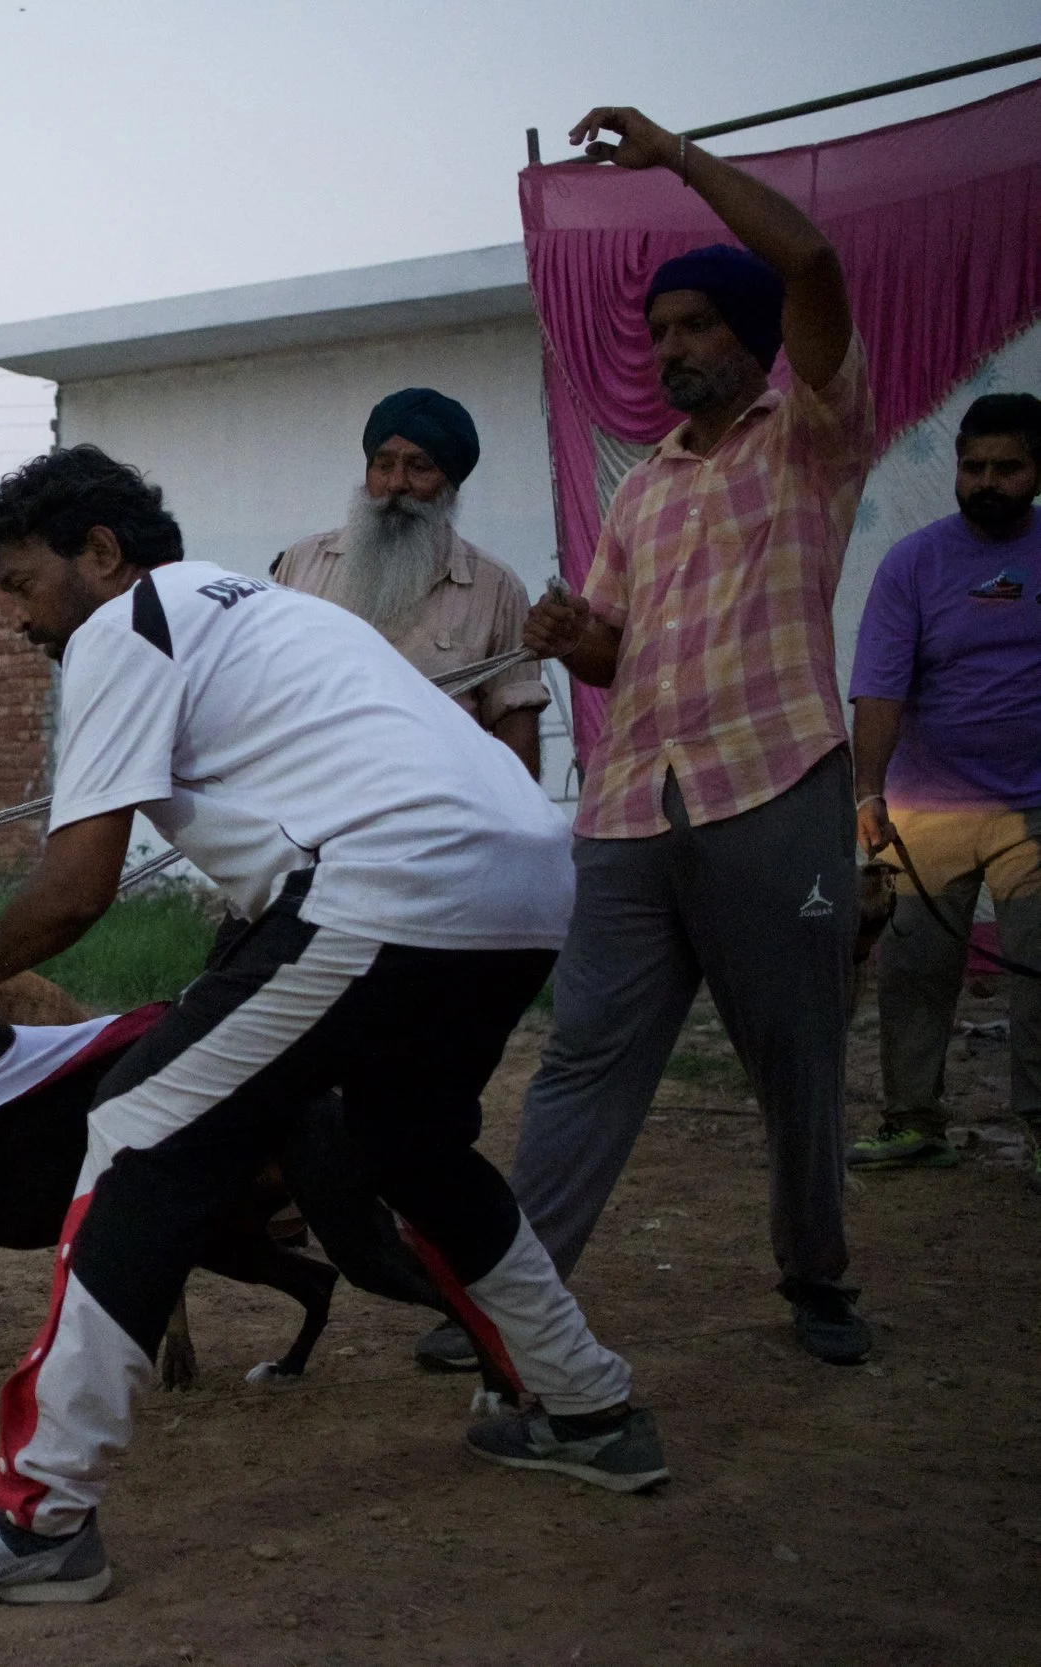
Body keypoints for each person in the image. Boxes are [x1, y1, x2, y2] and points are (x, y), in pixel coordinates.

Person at [0, 445, 658, 1607]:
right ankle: (589, 1406)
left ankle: (36, 1517)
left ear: (102, 555)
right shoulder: (273, 608)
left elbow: (77, 884)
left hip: (390, 880)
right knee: (409, 1148)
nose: (17, 617)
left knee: (136, 1120)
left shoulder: (127, 626)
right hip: (519, 882)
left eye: (21, 584)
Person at [506, 105, 878, 1368]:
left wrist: (671, 159)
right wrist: (571, 632)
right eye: (659, 331)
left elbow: (813, 264)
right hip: (625, 808)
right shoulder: (640, 486)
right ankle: (516, 1287)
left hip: (773, 782)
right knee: (582, 1059)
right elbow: (615, 648)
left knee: (796, 1063)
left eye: (697, 325)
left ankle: (814, 1277)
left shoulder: (813, 437)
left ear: (754, 336)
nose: (671, 347)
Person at [847, 392, 1041, 1187]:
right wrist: (868, 795)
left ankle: (1037, 1127)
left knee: (1037, 970)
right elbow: (880, 688)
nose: (986, 481)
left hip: (1035, 807)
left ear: (1038, 471)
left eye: (1007, 467)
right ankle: (914, 1121)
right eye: (972, 467)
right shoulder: (914, 564)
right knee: (915, 970)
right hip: (929, 806)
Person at [273, 388, 547, 775]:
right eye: (383, 465)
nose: (396, 484)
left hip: (440, 805)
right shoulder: (304, 562)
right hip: (315, 797)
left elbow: (515, 725)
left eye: (419, 467)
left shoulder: (496, 588)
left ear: (451, 484)